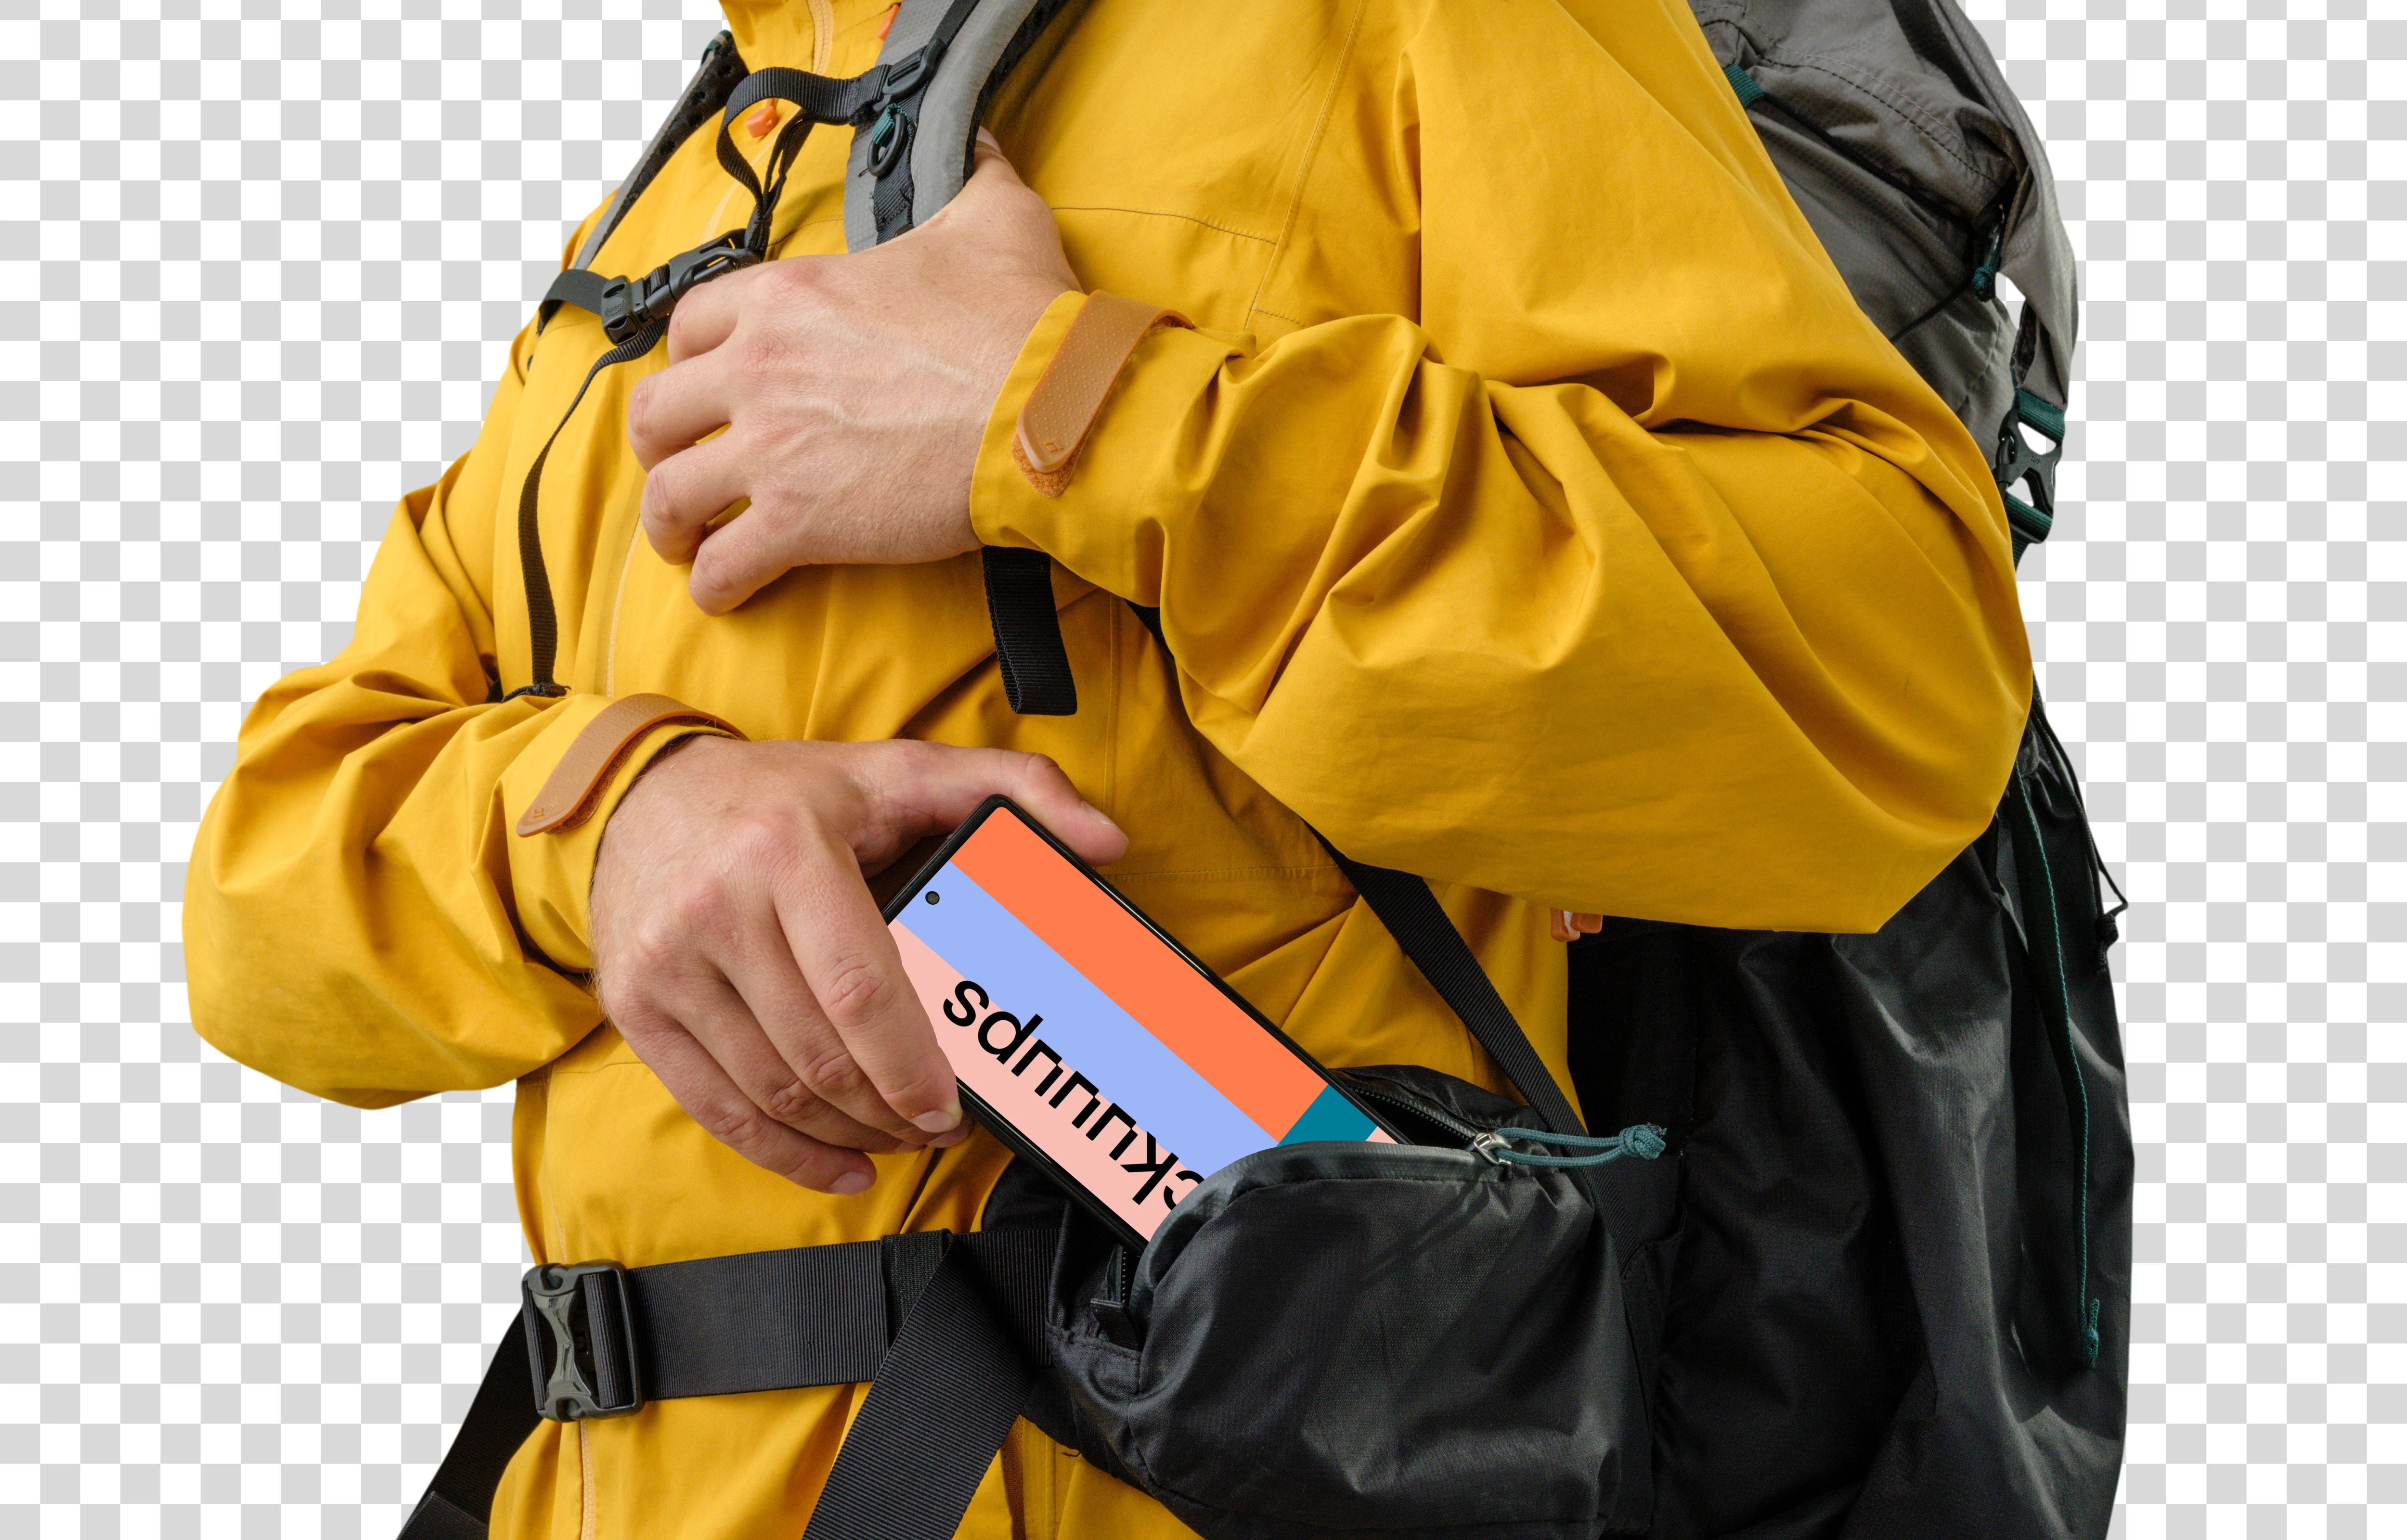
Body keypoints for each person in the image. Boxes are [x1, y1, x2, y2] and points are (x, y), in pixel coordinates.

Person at [184, 0, 2031, 1535]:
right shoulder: (682, 207)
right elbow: (259, 907)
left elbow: (1877, 682)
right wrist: (607, 823)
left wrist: (1071, 414)